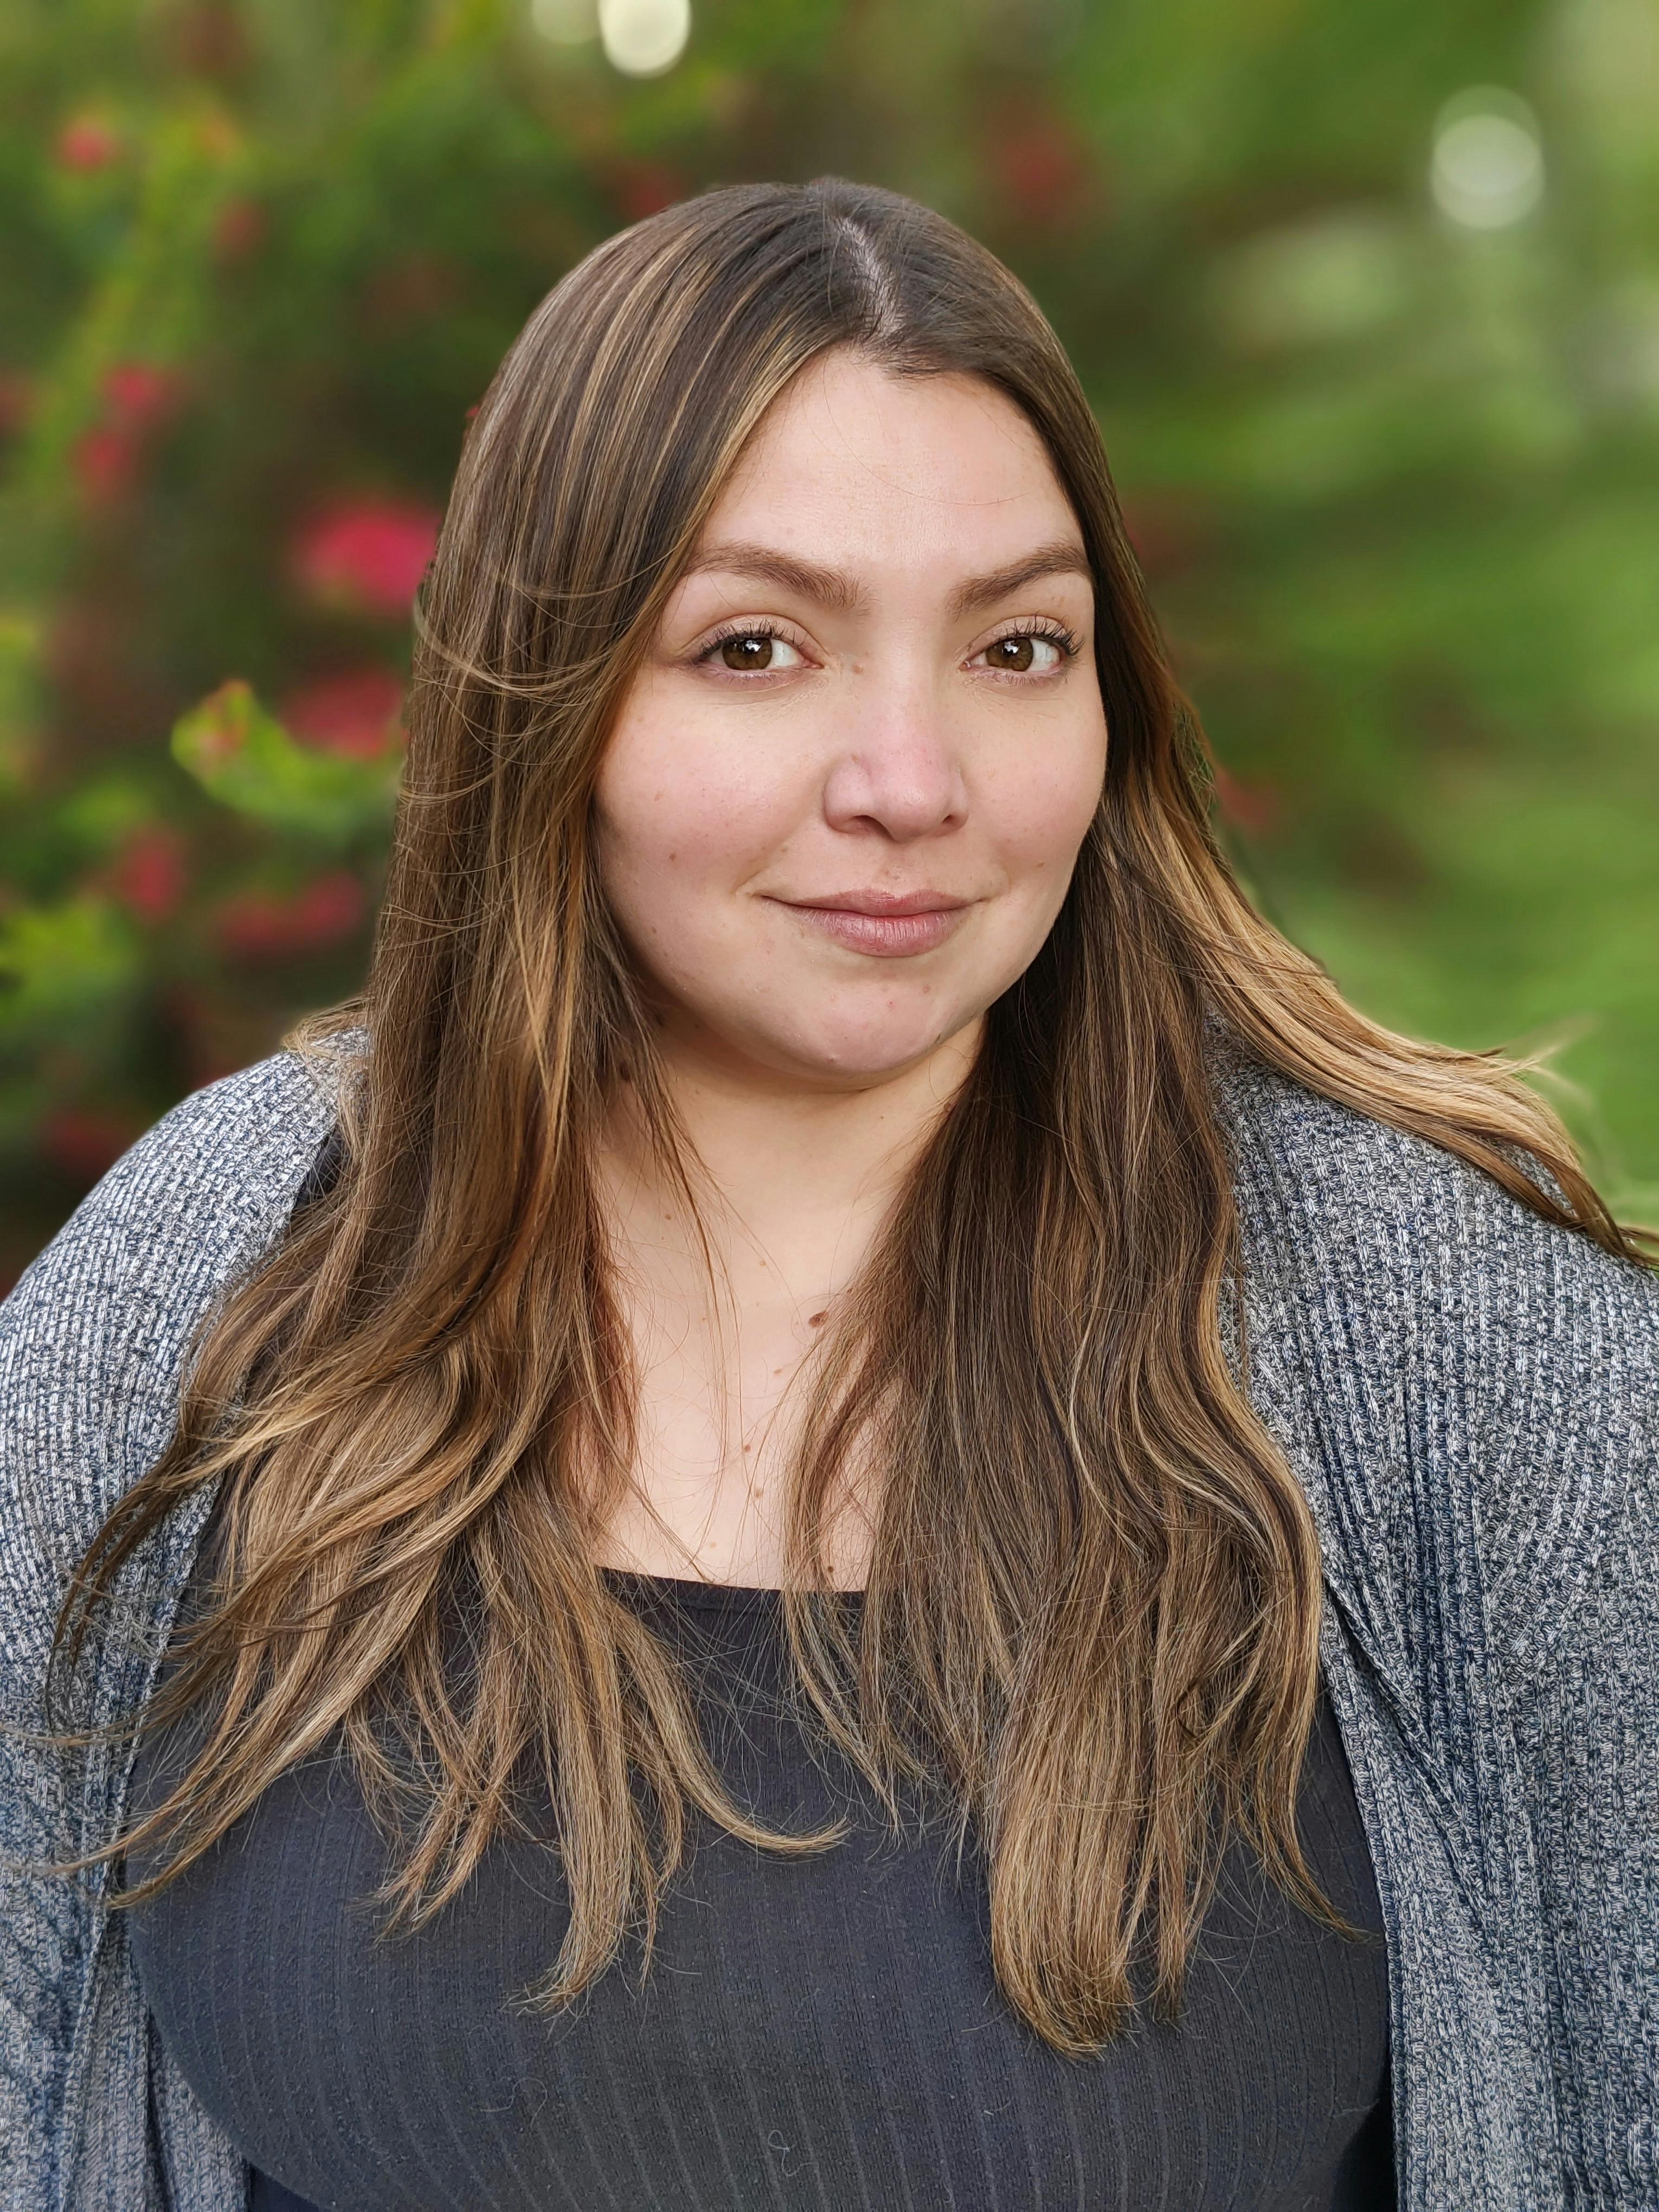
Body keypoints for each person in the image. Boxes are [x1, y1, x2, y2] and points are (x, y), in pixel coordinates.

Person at [2, 178, 1654, 2212]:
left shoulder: (1452, 1358)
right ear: (555, 699)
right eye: (757, 646)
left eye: (1016, 645)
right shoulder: (202, 1283)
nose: (910, 775)